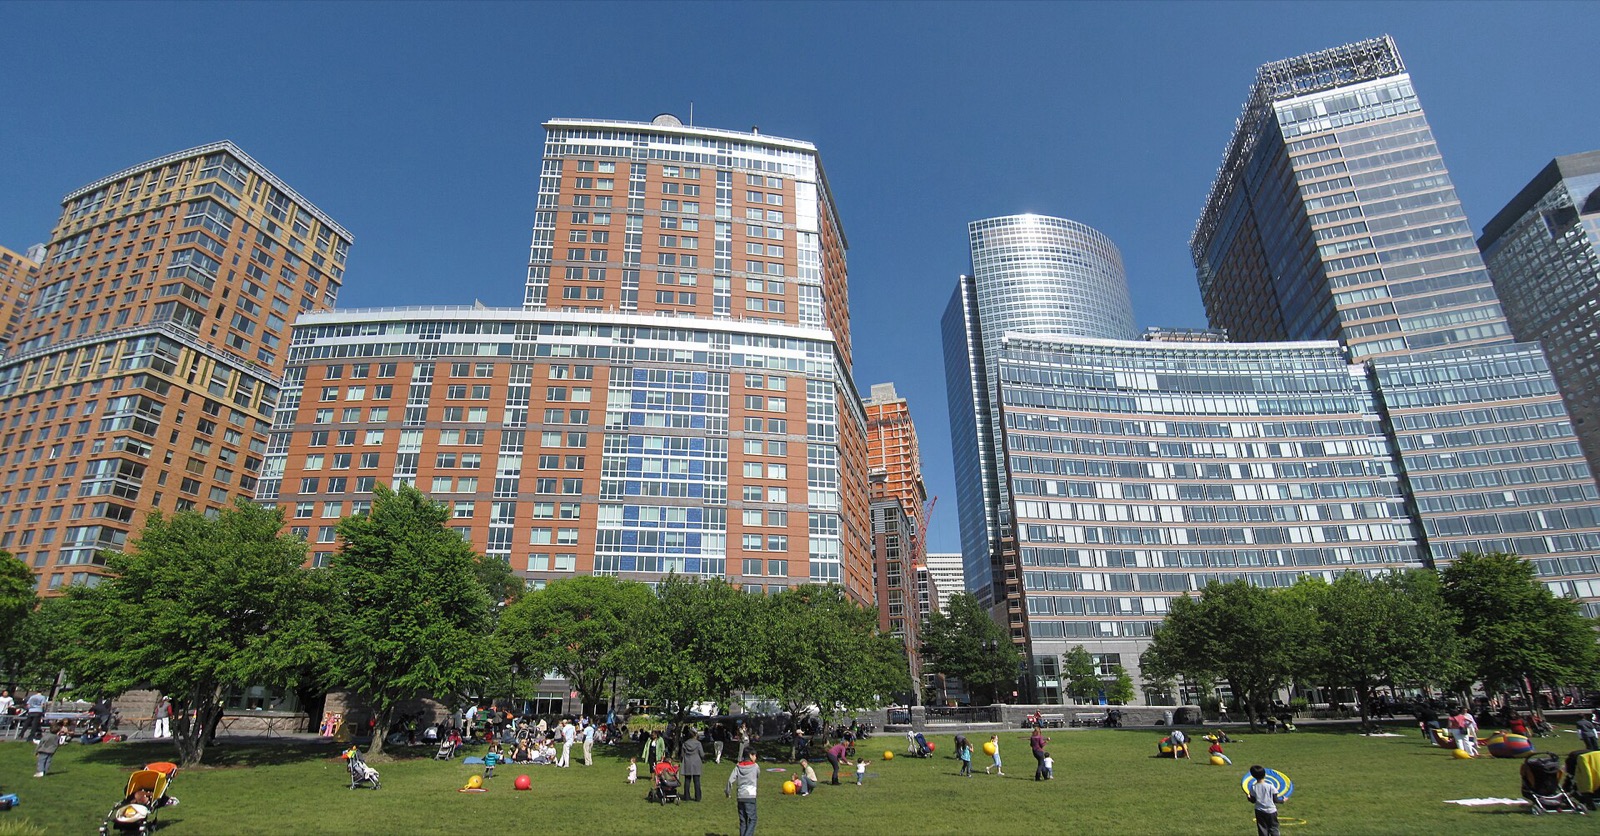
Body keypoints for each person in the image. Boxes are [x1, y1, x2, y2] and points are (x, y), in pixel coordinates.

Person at [725, 748, 759, 836]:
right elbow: (758, 775)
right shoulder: (755, 766)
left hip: (740, 795)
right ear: (750, 755)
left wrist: (728, 792)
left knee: (743, 820)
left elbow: (730, 780)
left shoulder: (738, 766)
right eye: (754, 755)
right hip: (750, 795)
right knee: (752, 819)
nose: (755, 757)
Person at [1247, 764, 1286, 836]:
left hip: (1259, 811)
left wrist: (1248, 797)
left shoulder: (1253, 787)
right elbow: (1275, 800)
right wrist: (1283, 800)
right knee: (1274, 828)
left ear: (1253, 776)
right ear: (1265, 774)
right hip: (1271, 811)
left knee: (1262, 829)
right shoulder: (1270, 786)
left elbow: (1253, 800)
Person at [680, 729, 705, 802]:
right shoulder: (698, 743)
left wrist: (682, 759)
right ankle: (698, 797)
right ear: (694, 735)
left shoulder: (685, 743)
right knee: (697, 781)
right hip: (696, 762)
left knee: (687, 780)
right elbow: (702, 754)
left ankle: (686, 796)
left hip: (687, 762)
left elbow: (682, 754)